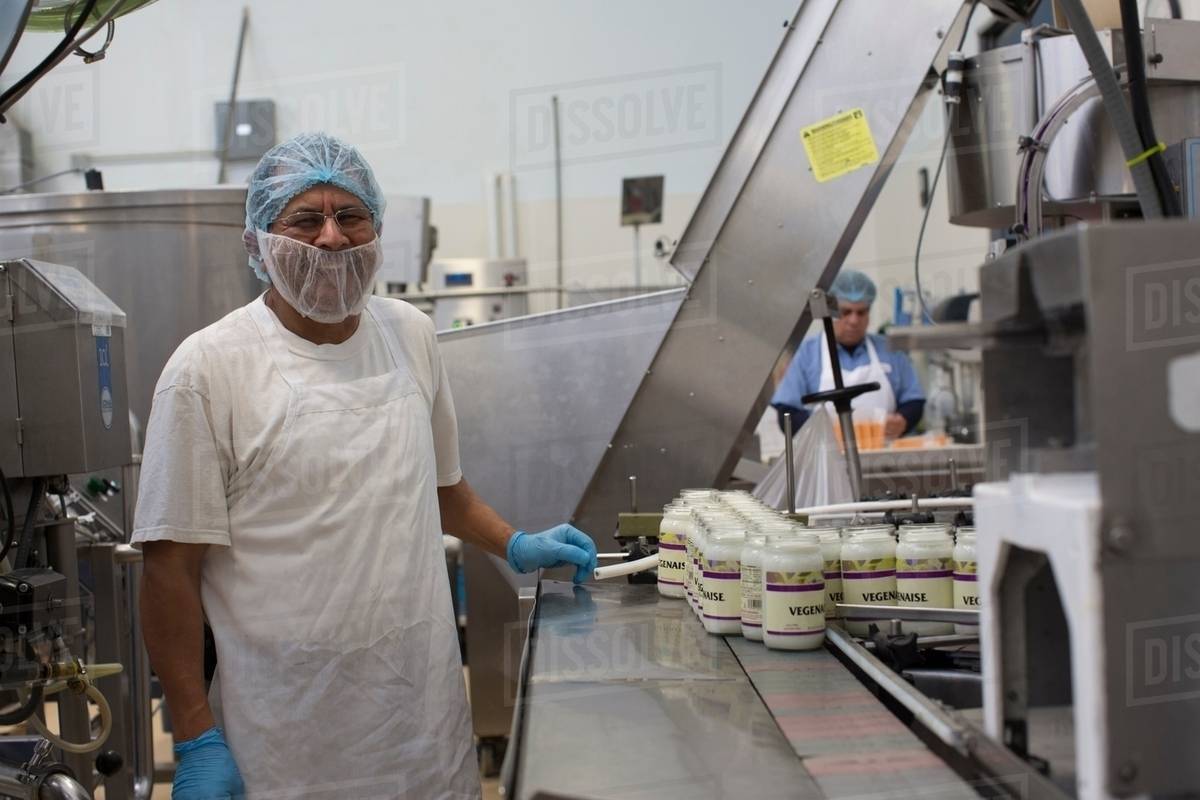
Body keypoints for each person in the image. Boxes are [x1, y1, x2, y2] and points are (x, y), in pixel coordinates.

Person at [132, 132, 597, 800]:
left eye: (349, 215)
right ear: (258, 242)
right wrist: (196, 735)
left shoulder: (410, 333)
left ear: (376, 228)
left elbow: (442, 490)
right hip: (284, 738)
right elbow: (170, 567)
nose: (330, 238)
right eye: (304, 218)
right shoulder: (209, 368)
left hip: (421, 725)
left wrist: (515, 543)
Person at [771, 270, 924, 439]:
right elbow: (786, 412)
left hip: (883, 453)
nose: (854, 321)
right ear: (830, 313)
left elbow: (914, 401)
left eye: (861, 312)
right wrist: (820, 431)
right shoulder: (807, 353)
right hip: (828, 455)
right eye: (846, 312)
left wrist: (903, 420)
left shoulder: (890, 350)